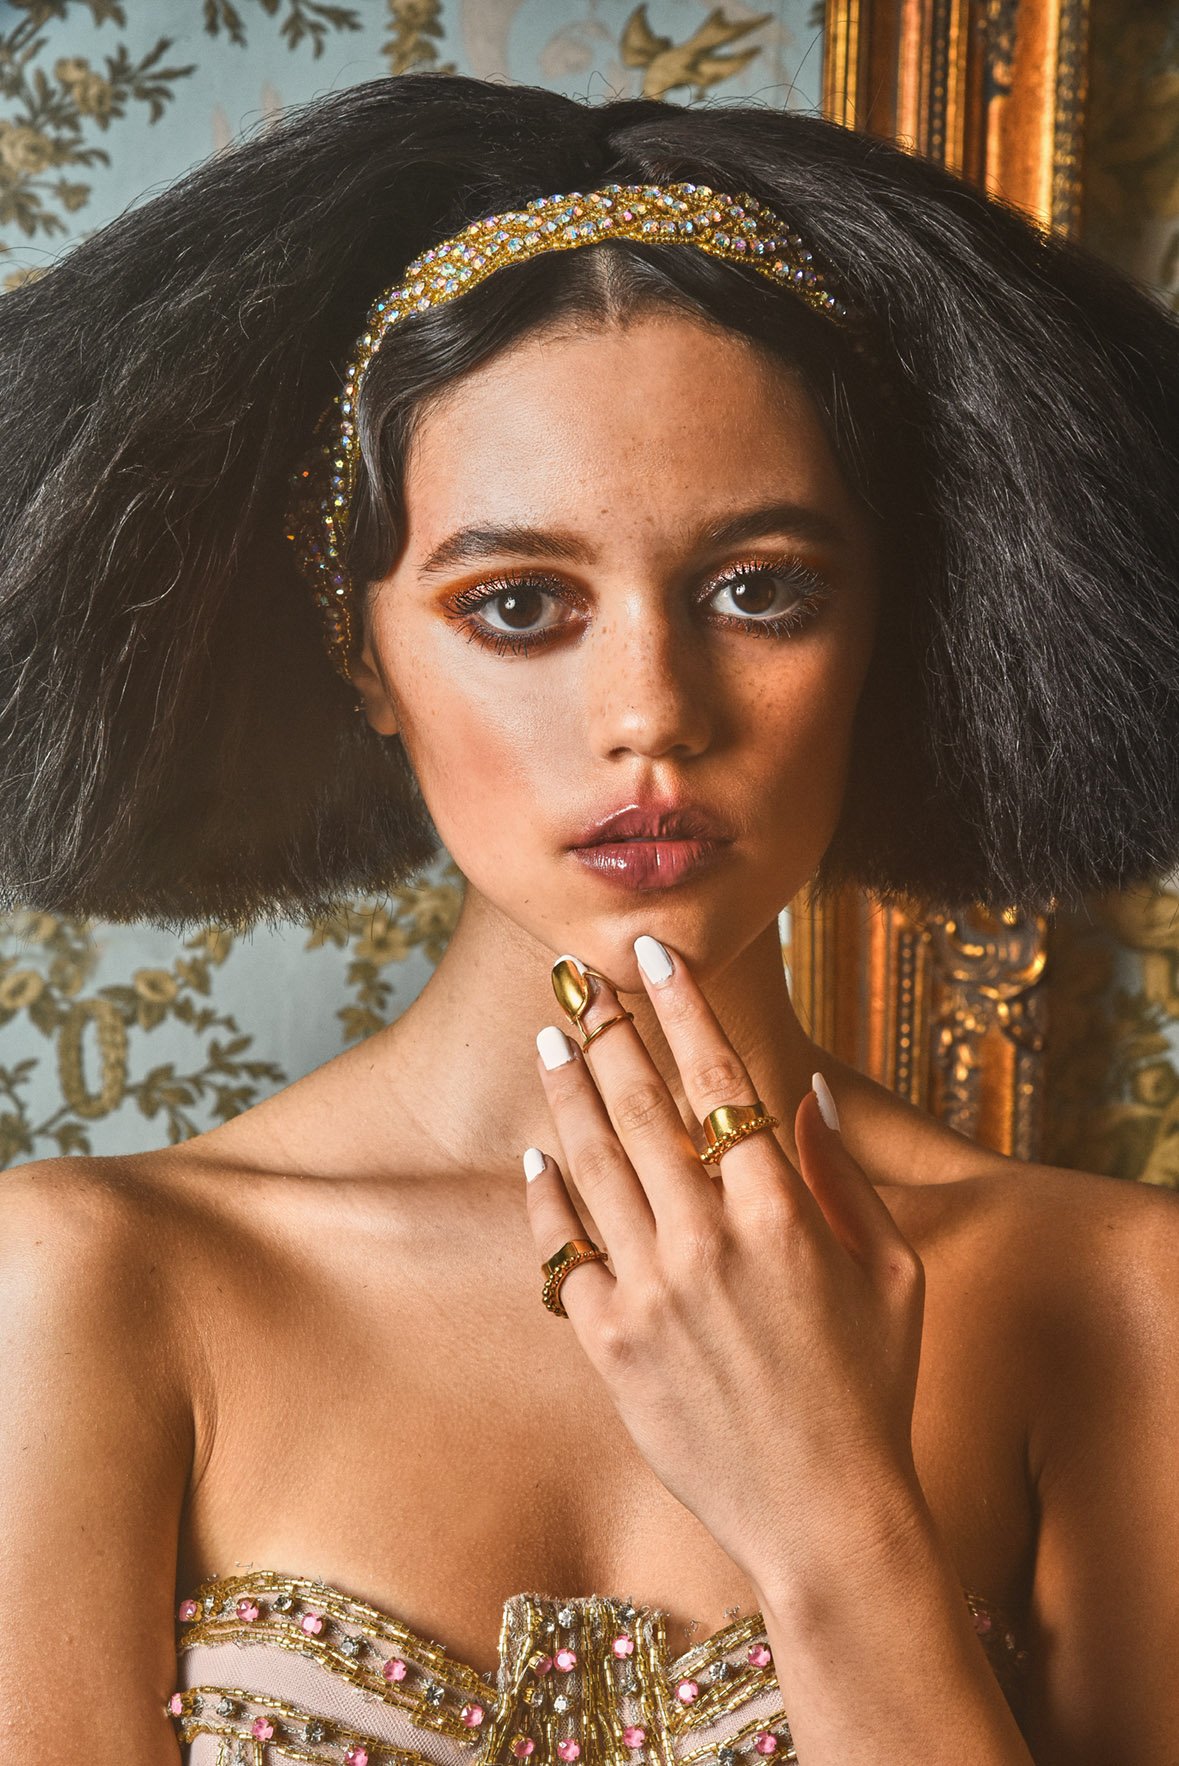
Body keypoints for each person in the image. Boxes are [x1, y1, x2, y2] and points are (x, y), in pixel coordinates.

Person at [0, 68, 1177, 1766]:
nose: (651, 712)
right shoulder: (94, 1283)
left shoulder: (1119, 1301)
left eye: (759, 589)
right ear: (361, 652)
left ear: (885, 625)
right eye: (519, 605)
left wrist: (829, 1514)